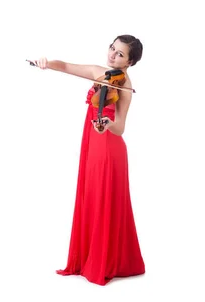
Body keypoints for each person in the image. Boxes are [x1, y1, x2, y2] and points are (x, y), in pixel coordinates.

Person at [32, 35, 145, 285]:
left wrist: (107, 123)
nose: (112, 55)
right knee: (91, 194)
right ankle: (88, 258)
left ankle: (104, 260)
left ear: (130, 62)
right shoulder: (100, 72)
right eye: (112, 48)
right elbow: (67, 66)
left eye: (120, 54)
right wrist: (46, 63)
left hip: (109, 147)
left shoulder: (124, 86)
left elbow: (121, 127)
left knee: (104, 198)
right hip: (91, 143)